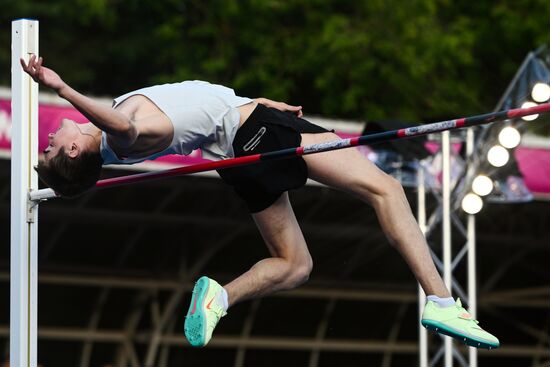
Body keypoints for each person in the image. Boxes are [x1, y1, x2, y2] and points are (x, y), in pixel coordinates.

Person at [21, 55, 499, 349]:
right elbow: (127, 126)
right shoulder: (122, 134)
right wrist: (61, 88)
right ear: (73, 150)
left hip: (241, 147)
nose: (48, 137)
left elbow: (205, 109)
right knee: (387, 189)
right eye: (49, 148)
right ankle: (439, 299)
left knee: (295, 265)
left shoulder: (107, 140)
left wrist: (256, 103)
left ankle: (221, 296)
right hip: (256, 134)